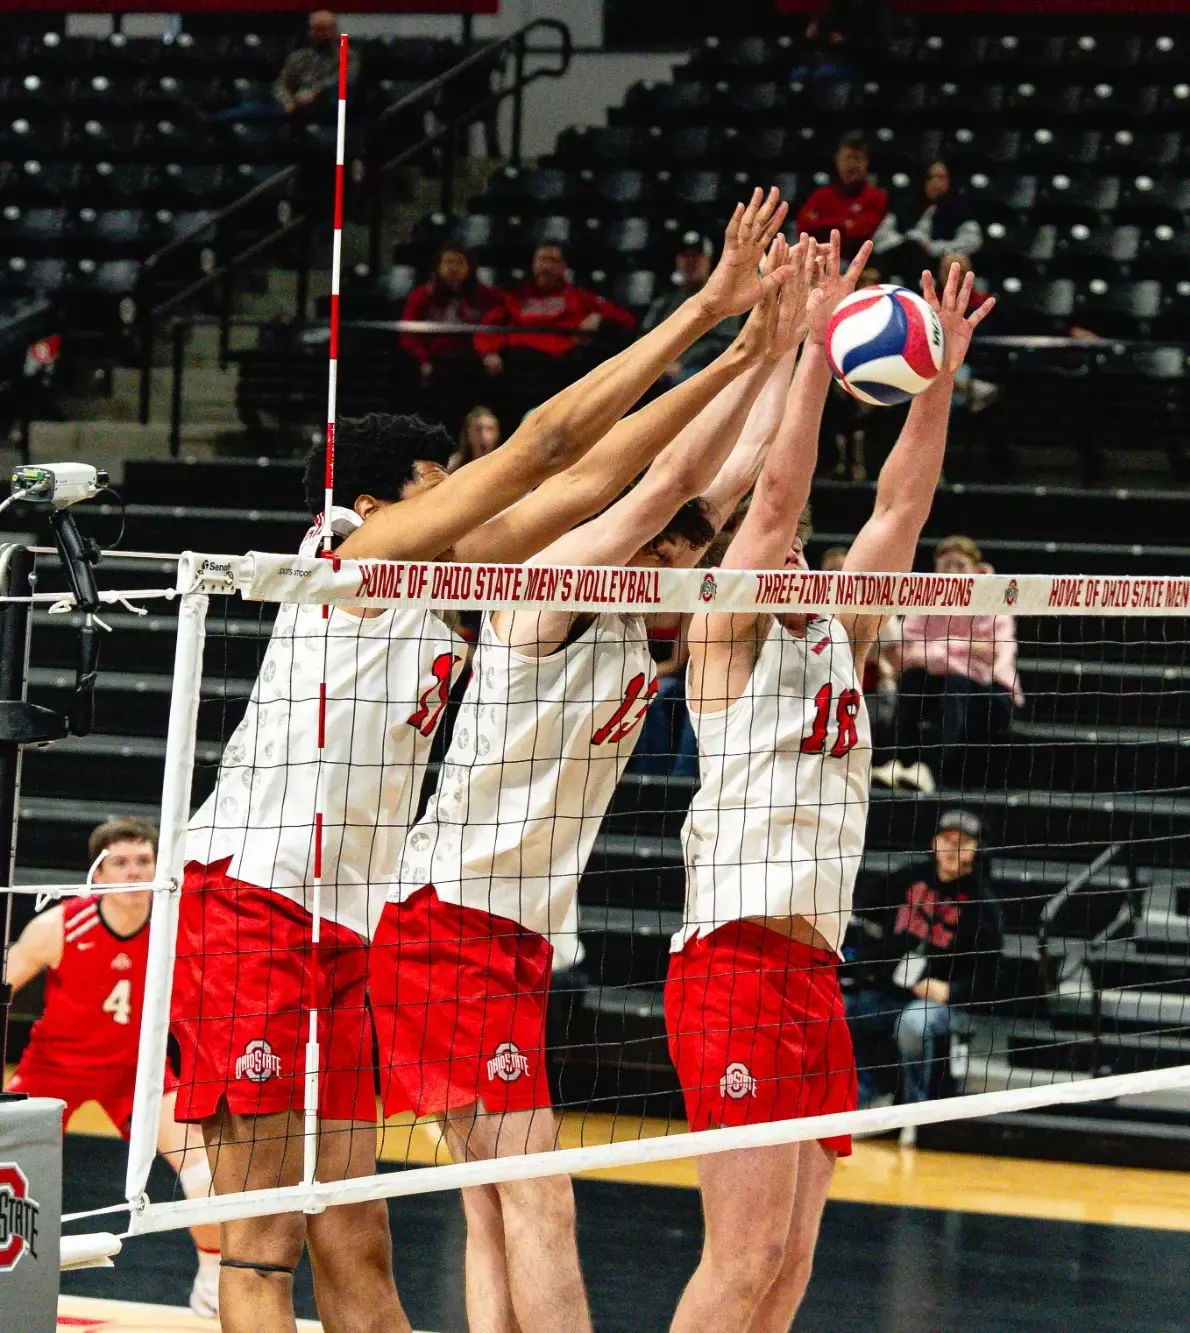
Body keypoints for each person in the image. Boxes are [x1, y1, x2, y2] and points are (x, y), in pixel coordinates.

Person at [171, 188, 791, 1333]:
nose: (467, 515)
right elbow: (550, 447)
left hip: (349, 929)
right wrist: (709, 310)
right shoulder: (353, 557)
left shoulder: (452, 573)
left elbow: (595, 480)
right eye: (437, 498)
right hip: (247, 905)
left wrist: (749, 356)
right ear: (370, 509)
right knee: (261, 1238)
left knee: (357, 1224)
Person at [377, 228, 818, 1333]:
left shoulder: (644, 628)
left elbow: (713, 491)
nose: (692, 567)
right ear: (632, 549)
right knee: (539, 1199)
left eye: (693, 552)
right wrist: (749, 343)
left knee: (492, 1209)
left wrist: (794, 354)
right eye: (674, 553)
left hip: (506, 941)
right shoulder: (542, 593)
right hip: (441, 932)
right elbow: (666, 475)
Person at [666, 252, 992, 1333]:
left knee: (791, 1260)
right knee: (744, 1248)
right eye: (780, 537)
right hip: (731, 961)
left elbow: (902, 501)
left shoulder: (836, 633)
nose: (795, 540)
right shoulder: (721, 630)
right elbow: (774, 494)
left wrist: (935, 372)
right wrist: (811, 349)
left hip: (814, 964)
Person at [4, 818, 221, 1317]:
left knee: (203, 1168)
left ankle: (211, 1282)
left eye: (143, 861)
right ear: (97, 874)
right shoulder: (58, 925)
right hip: (54, 1070)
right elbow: (6, 986)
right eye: (119, 863)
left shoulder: (178, 928)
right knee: (3, 1165)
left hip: (137, 1074)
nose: (132, 872)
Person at [844, 809, 1001, 1107]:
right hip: (891, 993)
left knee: (914, 1023)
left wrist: (950, 991)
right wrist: (876, 961)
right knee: (839, 1010)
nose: (952, 849)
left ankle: (914, 1110)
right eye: (947, 840)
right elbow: (863, 912)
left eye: (963, 842)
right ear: (934, 843)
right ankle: (863, 1093)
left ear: (976, 850)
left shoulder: (983, 906)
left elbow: (993, 977)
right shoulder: (907, 878)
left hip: (946, 1004)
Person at [876, 534, 1021, 793]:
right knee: (912, 680)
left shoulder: (995, 600)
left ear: (976, 570)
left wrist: (938, 649)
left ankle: (929, 769)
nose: (952, 571)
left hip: (991, 694)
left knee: (957, 682)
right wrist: (957, 651)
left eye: (960, 565)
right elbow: (905, 653)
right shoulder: (924, 599)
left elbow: (991, 653)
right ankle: (900, 762)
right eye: (946, 565)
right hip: (940, 683)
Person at [476, 241, 639, 428]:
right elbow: (487, 328)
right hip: (519, 374)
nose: (546, 266)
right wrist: (488, 352)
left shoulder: (579, 297)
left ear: (564, 267)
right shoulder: (514, 299)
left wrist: (599, 315)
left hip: (562, 374)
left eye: (553, 261)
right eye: (541, 260)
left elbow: (627, 320)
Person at [399, 244, 505, 431]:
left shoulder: (487, 296)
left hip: (474, 366)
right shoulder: (421, 296)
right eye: (448, 262)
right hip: (435, 367)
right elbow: (407, 335)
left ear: (470, 267)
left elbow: (505, 319)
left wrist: (491, 351)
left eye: (459, 262)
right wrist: (423, 360)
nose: (454, 268)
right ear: (438, 267)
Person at [210, 10, 353, 125]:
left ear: (334, 31)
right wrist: (287, 101)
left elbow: (344, 79)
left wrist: (315, 93)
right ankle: (206, 121)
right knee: (251, 109)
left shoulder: (347, 55)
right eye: (313, 29)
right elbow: (281, 84)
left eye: (322, 29)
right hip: (294, 107)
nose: (316, 34)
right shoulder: (299, 57)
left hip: (325, 107)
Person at [644, 234, 745, 385]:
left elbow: (722, 341)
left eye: (696, 256)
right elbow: (646, 336)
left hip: (700, 367)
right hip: (662, 366)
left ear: (708, 260)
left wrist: (682, 362)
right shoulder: (666, 301)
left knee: (684, 380)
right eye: (685, 256)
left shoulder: (724, 298)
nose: (690, 262)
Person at [874, 161, 982, 287]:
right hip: (901, 260)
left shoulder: (959, 209)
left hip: (937, 265)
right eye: (931, 177)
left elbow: (973, 241)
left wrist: (933, 247)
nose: (936, 183)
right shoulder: (905, 205)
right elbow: (879, 238)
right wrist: (907, 240)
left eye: (941, 178)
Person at [796, 134, 891, 248]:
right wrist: (844, 224)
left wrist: (823, 225)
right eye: (847, 158)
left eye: (857, 158)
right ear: (837, 160)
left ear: (867, 162)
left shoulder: (876, 196)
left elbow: (864, 234)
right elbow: (803, 228)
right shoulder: (821, 195)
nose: (851, 165)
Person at [451, 404, 502, 471]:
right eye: (478, 429)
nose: (483, 435)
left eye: (489, 429)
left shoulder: (505, 464)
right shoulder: (455, 466)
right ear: (468, 433)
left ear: (497, 434)